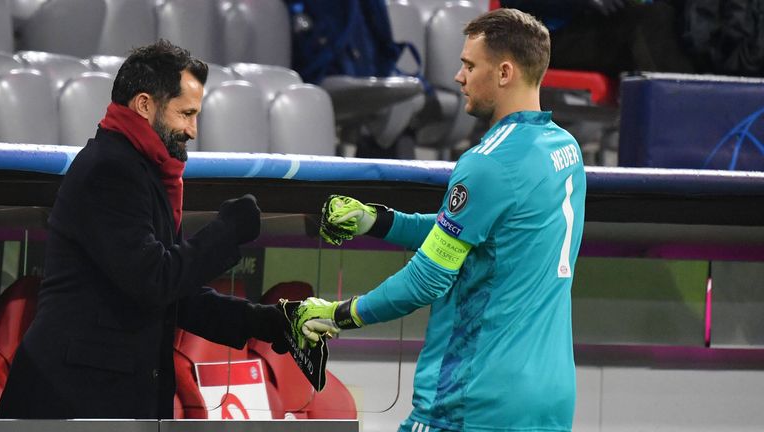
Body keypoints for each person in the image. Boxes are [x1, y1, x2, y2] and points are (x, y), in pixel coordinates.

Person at [290, 8, 587, 432]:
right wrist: (380, 221)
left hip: (476, 398)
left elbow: (426, 280)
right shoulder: (566, 149)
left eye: (469, 65)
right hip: (549, 399)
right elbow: (479, 233)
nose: (458, 77)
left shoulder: (488, 163)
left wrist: (338, 314)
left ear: (504, 72)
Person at [0, 40, 289, 419]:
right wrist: (226, 231)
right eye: (185, 113)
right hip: (71, 402)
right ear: (145, 104)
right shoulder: (109, 170)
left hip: (107, 401)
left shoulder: (146, 173)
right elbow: (154, 279)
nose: (193, 130)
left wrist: (267, 322)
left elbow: (177, 296)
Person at [500, 0, 696, 78]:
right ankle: (682, 123)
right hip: (541, 38)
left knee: (688, 25)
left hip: (602, 26)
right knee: (651, 22)